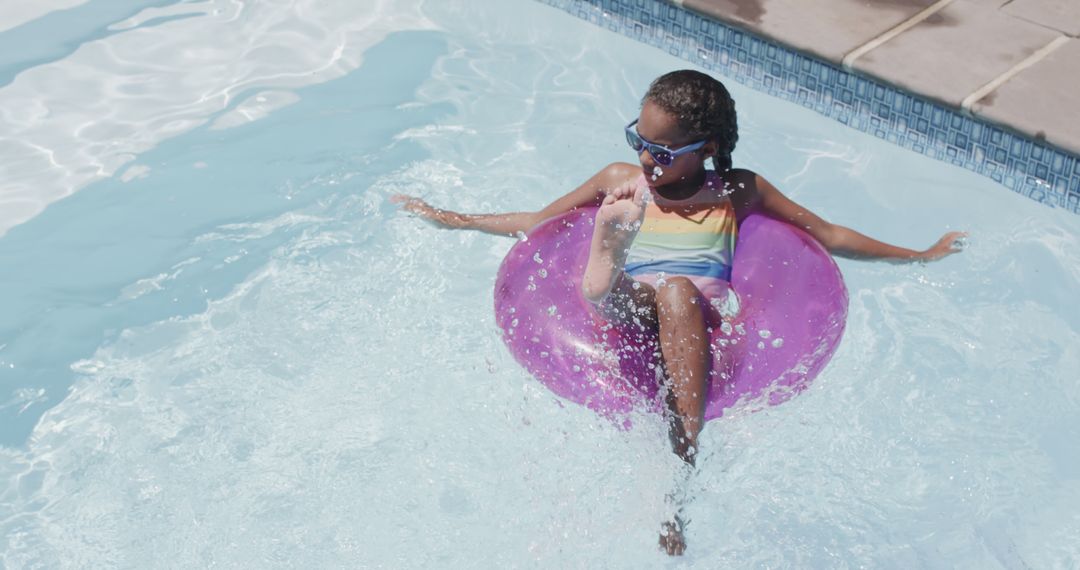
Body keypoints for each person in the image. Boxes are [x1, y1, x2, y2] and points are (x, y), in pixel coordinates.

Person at [392, 69, 964, 555]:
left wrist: (917, 255)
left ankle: (677, 455)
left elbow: (830, 234)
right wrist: (456, 218)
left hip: (695, 324)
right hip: (626, 311)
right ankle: (606, 268)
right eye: (637, 139)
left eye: (661, 151)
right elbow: (538, 224)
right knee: (642, 292)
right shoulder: (622, 181)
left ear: (707, 148)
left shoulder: (737, 192)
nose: (644, 157)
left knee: (676, 293)